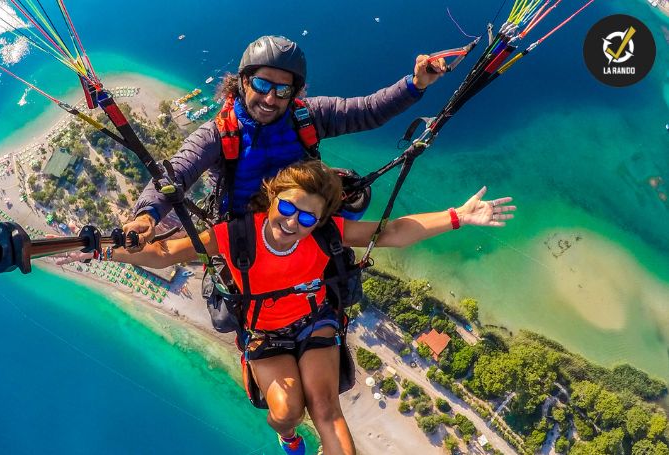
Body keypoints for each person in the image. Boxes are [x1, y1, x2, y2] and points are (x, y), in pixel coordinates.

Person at [65, 161, 515, 454]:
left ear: (320, 221)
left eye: (307, 219)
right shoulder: (235, 234)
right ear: (272, 198)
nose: (292, 224)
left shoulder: (325, 234)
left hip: (314, 322)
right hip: (263, 334)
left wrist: (459, 216)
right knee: (287, 410)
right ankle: (287, 440)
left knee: (325, 406)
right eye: (287, 208)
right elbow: (165, 254)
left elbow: (393, 231)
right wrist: (103, 250)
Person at [123, 35, 448, 249]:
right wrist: (147, 215)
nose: (270, 98)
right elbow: (178, 171)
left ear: (294, 92)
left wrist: (415, 83)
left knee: (354, 195)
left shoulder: (306, 116)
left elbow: (367, 111)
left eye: (282, 90)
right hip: (246, 229)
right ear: (243, 82)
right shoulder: (219, 133)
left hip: (300, 219)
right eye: (262, 84)